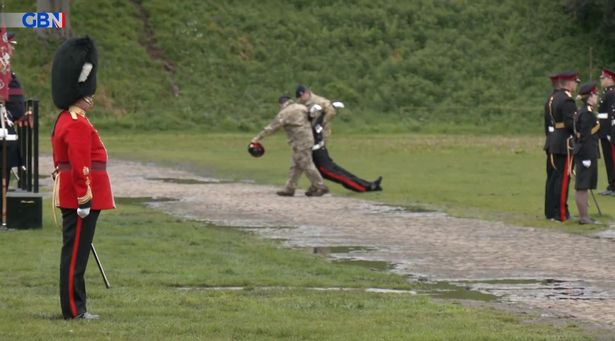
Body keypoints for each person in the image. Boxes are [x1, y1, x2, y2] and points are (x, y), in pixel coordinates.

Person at [51, 36, 114, 320]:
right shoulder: (75, 123)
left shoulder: (68, 119)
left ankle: (75, 307)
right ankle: (75, 310)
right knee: (76, 256)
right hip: (81, 196)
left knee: (75, 254)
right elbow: (80, 164)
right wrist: (84, 197)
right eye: (88, 93)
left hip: (76, 194)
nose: (91, 97)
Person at [296, 85, 383, 192]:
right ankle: (366, 185)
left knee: (337, 173)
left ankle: (365, 186)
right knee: (334, 172)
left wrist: (323, 117)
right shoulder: (311, 122)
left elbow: (326, 114)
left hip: (318, 148)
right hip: (316, 148)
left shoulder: (317, 121)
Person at [251, 96, 329, 197]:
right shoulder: (302, 107)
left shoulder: (284, 113)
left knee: (307, 164)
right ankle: (290, 188)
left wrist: (257, 138)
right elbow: (313, 116)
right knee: (296, 165)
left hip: (299, 142)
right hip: (308, 139)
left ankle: (320, 186)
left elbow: (271, 128)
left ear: (281, 104)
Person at [544, 71, 579, 222]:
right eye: (575, 82)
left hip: (553, 140)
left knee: (552, 178)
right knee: (563, 179)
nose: (576, 85)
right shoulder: (567, 101)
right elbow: (572, 124)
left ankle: (550, 211)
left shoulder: (553, 98)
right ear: (569, 83)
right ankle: (561, 213)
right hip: (564, 142)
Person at [573, 82, 600, 224]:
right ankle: (583, 217)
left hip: (586, 152)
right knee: (582, 186)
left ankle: (584, 215)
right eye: (595, 94)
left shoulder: (584, 111)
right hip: (586, 153)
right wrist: (586, 157)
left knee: (582, 186)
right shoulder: (587, 114)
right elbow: (585, 137)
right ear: (589, 97)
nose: (596, 96)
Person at [597, 67, 615, 195]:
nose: (601, 80)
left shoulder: (612, 94)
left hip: (609, 131)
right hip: (603, 131)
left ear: (610, 79)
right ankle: (611, 184)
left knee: (612, 159)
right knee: (608, 159)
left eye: (603, 78)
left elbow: (611, 115)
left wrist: (609, 132)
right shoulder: (607, 93)